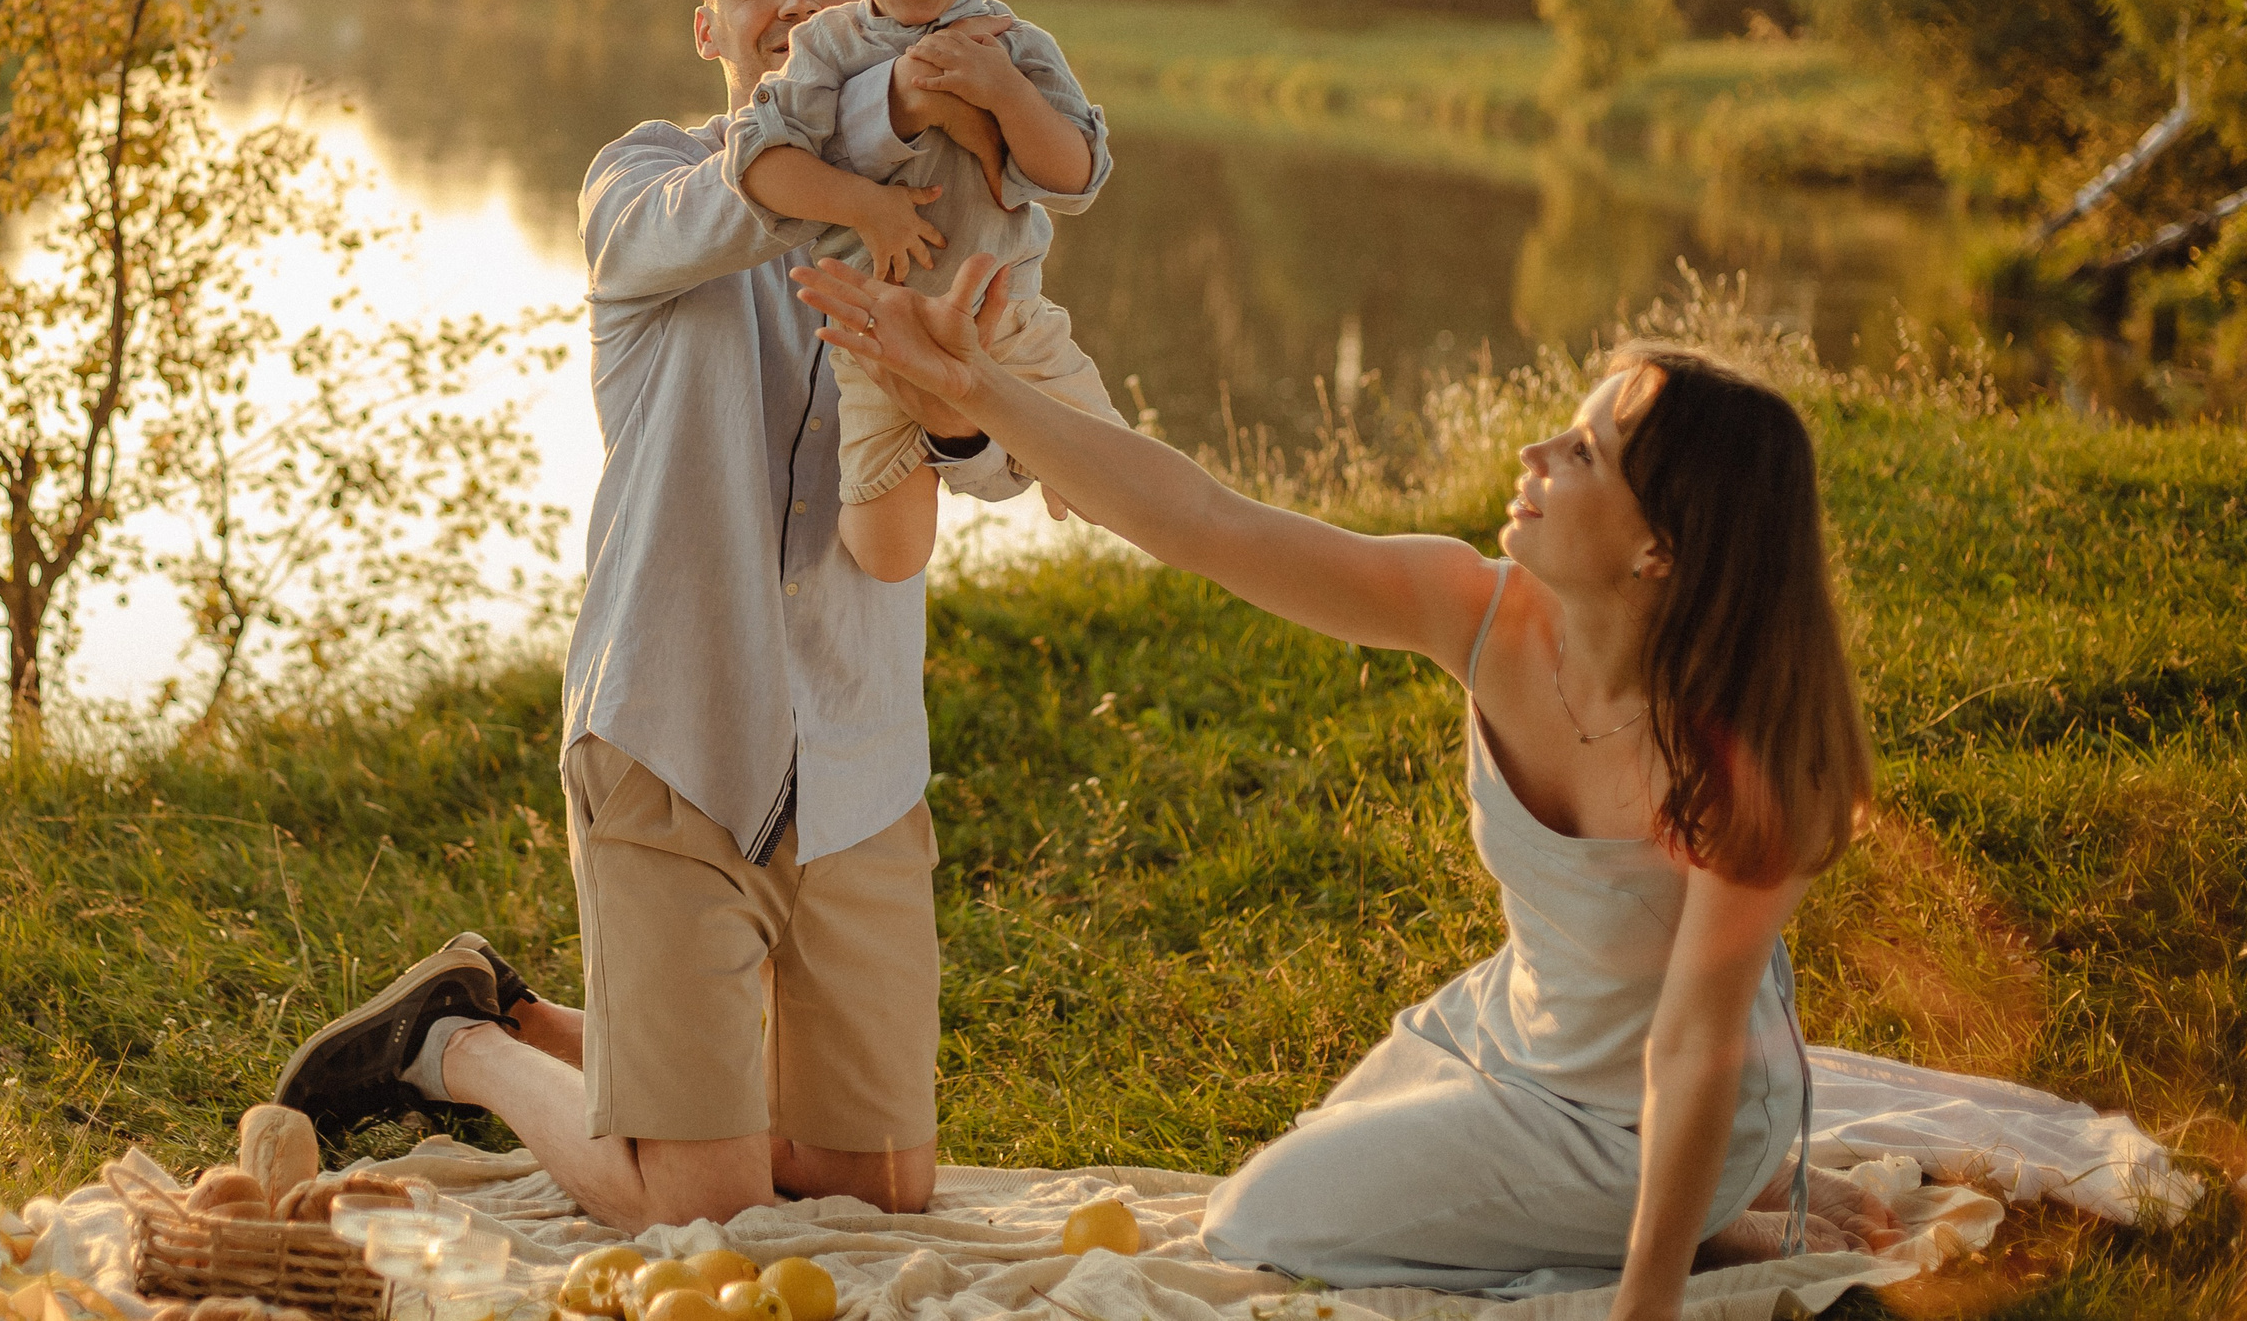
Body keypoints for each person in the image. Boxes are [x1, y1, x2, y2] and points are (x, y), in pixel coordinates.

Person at [789, 252, 1906, 1317]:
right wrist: (972, 388)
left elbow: (1693, 1043)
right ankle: (1683, 1216)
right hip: (1509, 1030)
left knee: (1264, 1224)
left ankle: (1705, 1215)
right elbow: (1205, 524)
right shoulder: (1485, 617)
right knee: (1303, 1186)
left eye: (1583, 455)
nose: (1534, 452)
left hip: (1646, 1110)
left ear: (1660, 547)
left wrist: (1649, 1300)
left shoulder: (1755, 762)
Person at [272, 0, 1034, 1234]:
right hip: (672, 735)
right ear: (710, 27)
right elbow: (747, 205)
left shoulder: (944, 213)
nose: (792, 4)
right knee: (707, 1208)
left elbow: (1014, 451)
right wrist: (892, 116)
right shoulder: (644, 184)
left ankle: (510, 1001)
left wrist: (964, 416)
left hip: (858, 749)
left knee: (881, 1191)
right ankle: (456, 1048)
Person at [727, 0, 1125, 584]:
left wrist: (1005, 92)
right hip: (878, 334)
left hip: (1006, 320)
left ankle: (1019, 451)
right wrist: (865, 204)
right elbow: (759, 162)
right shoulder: (827, 47)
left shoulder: (1016, 43)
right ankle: (930, 436)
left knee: (1122, 488)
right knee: (892, 556)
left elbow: (1077, 176)